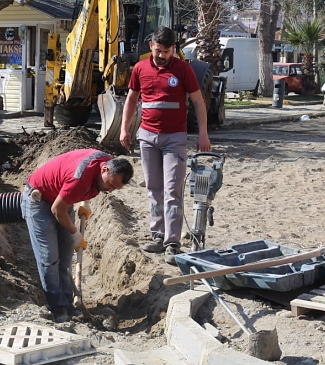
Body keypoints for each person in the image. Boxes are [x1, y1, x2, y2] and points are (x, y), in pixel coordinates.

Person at [119, 26, 211, 265]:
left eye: (167, 52)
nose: (161, 56)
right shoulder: (140, 68)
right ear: (151, 46)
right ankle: (157, 235)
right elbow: (131, 99)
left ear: (174, 50)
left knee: (172, 191)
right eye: (158, 50)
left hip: (175, 139)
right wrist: (124, 127)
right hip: (147, 138)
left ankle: (172, 242)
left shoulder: (183, 70)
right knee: (153, 188)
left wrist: (203, 134)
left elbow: (198, 102)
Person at [21, 149, 133, 323]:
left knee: (65, 258)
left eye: (114, 188)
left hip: (63, 199)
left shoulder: (106, 166)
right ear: (104, 170)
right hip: (40, 201)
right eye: (110, 185)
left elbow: (75, 192)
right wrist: (74, 233)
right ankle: (58, 308)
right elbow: (57, 210)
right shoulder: (79, 179)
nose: (110, 191)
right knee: (49, 259)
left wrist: (84, 200)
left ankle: (68, 304)